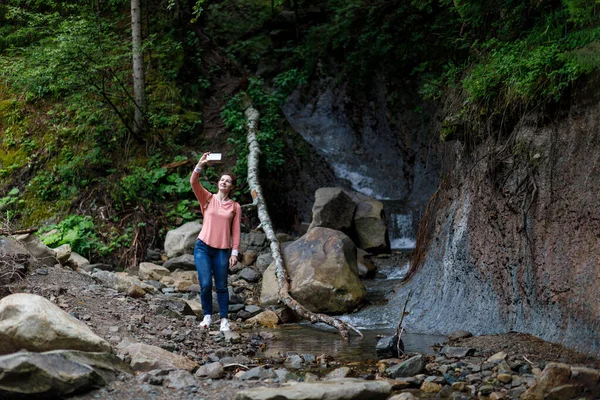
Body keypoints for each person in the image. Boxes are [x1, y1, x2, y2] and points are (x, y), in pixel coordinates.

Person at [190, 152, 241, 332]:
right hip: (203, 247)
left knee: (221, 286)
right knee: (205, 284)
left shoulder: (235, 207)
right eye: (222, 179)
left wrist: (234, 252)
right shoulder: (207, 198)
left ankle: (224, 320)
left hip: (221, 250)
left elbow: (236, 231)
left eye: (228, 181)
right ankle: (207, 317)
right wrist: (200, 164)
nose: (223, 182)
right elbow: (193, 182)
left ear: (231, 186)